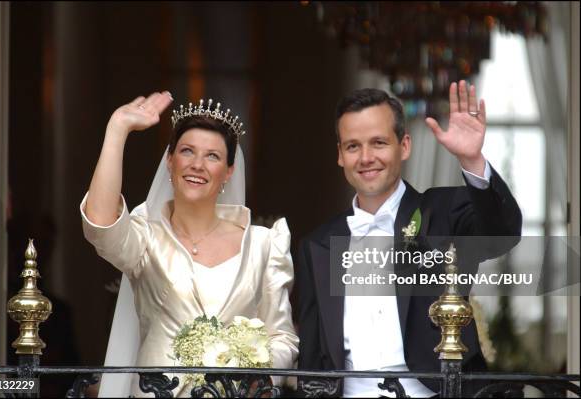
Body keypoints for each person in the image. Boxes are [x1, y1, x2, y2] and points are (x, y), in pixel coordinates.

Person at [295, 81, 522, 397]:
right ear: (340, 155)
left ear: (404, 146)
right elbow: (312, 358)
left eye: (378, 143)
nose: (365, 157)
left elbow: (502, 236)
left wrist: (472, 160)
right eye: (352, 146)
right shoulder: (316, 246)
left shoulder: (443, 213)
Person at [80, 91, 299, 397]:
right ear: (170, 161)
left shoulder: (264, 244)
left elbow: (282, 338)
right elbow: (100, 225)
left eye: (213, 156)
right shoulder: (146, 238)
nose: (198, 164)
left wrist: (251, 372)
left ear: (229, 171)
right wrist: (118, 128)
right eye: (187, 151)